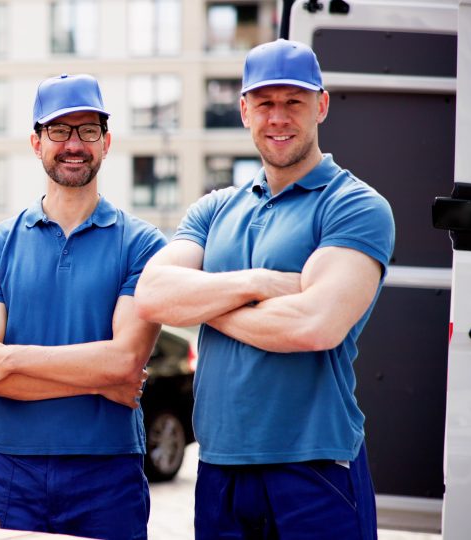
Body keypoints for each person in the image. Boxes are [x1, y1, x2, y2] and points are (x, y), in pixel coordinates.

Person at [133, 39, 394, 539]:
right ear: (244, 111)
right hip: (220, 469)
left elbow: (314, 324)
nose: (278, 117)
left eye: (293, 102)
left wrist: (204, 303)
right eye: (265, 103)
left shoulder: (354, 206)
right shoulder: (214, 209)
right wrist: (256, 283)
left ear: (321, 105)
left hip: (314, 466)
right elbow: (152, 295)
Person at [0, 74, 167, 540]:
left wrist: (10, 359)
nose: (75, 144)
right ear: (36, 143)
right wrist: (98, 377)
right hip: (12, 469)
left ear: (106, 142)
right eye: (59, 131)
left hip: (108, 472)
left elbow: (126, 360)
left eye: (87, 131)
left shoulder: (144, 244)